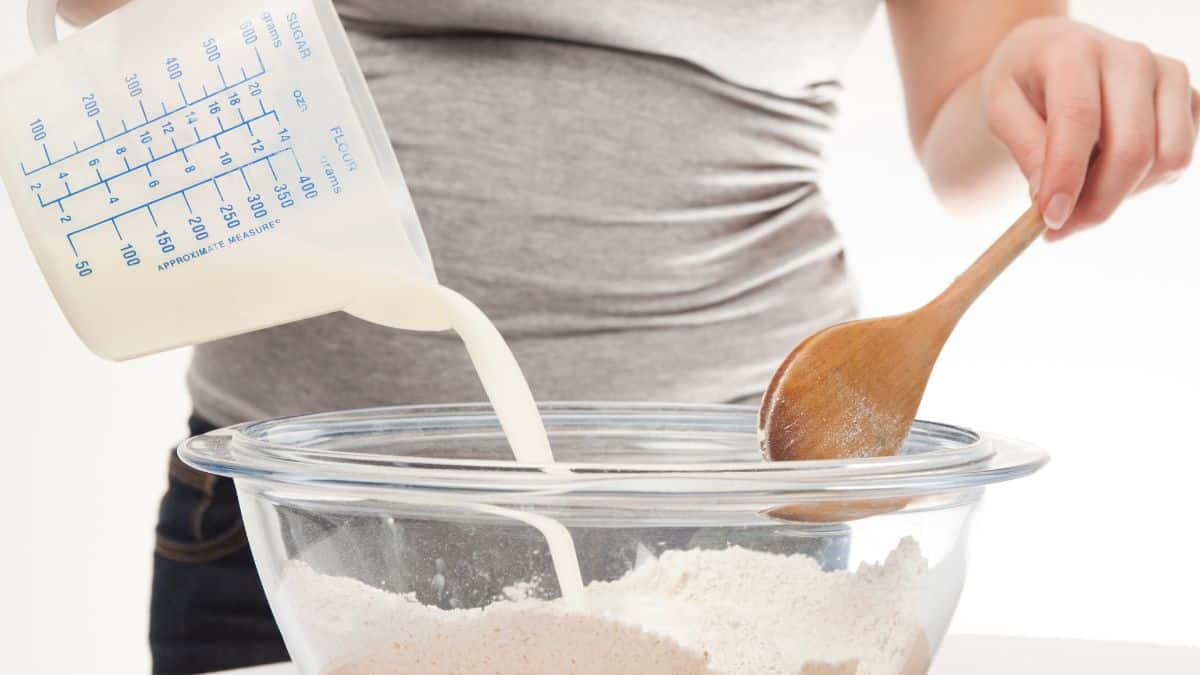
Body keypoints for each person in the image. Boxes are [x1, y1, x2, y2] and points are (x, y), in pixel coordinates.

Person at [55, 0, 1200, 673]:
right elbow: (131, 28)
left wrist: (1046, 87)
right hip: (314, 542)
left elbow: (977, 88)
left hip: (746, 554)